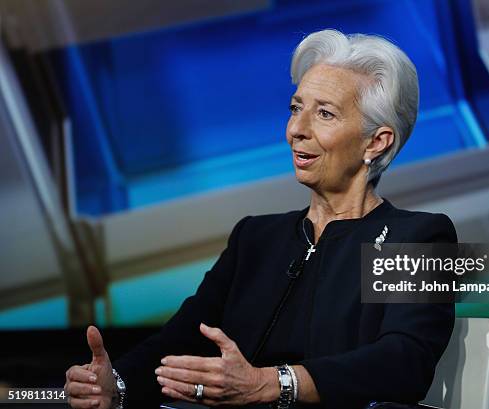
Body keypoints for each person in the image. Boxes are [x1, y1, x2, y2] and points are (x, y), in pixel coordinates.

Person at [64, 29, 456, 409]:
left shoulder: (418, 238)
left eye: (324, 113)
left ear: (376, 141)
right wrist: (115, 386)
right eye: (296, 108)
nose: (296, 130)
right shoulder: (255, 238)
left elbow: (405, 360)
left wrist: (272, 384)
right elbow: (179, 341)